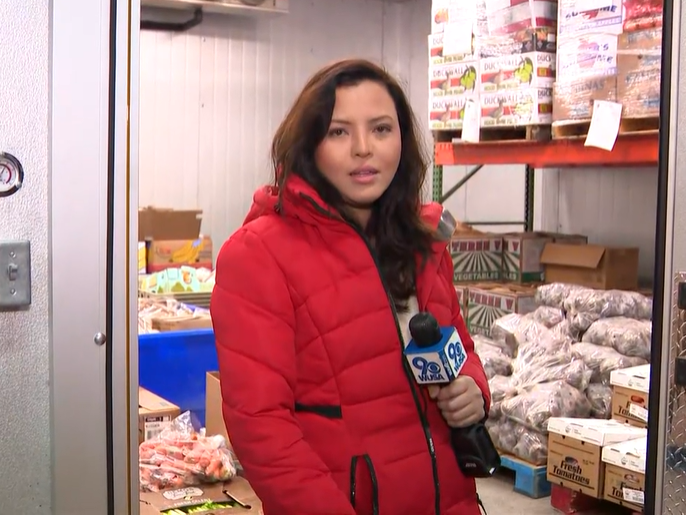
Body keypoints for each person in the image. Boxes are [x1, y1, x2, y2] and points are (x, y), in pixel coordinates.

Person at [210, 58, 491, 515]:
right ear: (310, 143)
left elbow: (461, 345)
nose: (363, 149)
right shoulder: (258, 255)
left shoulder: (421, 241)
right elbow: (261, 427)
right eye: (339, 132)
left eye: (381, 129)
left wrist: (474, 389)